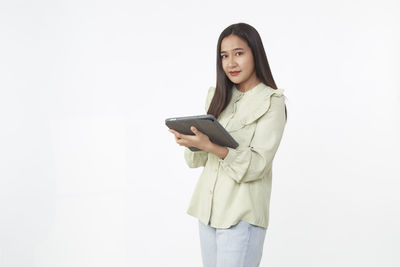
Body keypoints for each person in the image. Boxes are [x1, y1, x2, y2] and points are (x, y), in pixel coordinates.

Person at [168, 22, 287, 267]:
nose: (230, 63)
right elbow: (197, 161)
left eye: (239, 53)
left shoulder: (272, 101)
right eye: (224, 56)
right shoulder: (218, 97)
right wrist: (191, 142)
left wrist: (212, 146)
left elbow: (257, 166)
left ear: (256, 54)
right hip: (208, 212)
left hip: (242, 215)